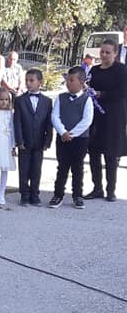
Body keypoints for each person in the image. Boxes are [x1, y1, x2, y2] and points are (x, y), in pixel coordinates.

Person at [86, 38, 127, 201]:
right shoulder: (95, 70)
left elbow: (122, 92)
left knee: (111, 154)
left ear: (115, 53)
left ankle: (111, 190)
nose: (104, 55)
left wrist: (102, 94)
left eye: (107, 52)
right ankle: (97, 188)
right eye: (102, 51)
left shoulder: (121, 70)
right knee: (94, 152)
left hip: (114, 117)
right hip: (96, 116)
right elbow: (89, 87)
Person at [49, 66, 93, 209]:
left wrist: (72, 134)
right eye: (67, 80)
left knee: (77, 167)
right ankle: (58, 194)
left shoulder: (87, 100)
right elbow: (55, 116)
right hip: (63, 138)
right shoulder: (61, 98)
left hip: (80, 139)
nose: (68, 83)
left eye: (72, 80)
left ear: (81, 82)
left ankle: (77, 195)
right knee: (62, 167)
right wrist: (63, 132)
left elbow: (87, 120)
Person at [13, 68, 53, 206]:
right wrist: (19, 140)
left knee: (36, 169)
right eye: (26, 80)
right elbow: (17, 122)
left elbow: (49, 123)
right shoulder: (20, 100)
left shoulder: (47, 101)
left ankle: (35, 194)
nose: (28, 83)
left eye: (32, 80)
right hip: (25, 140)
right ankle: (24, 194)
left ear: (40, 82)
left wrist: (48, 141)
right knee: (24, 169)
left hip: (39, 141)